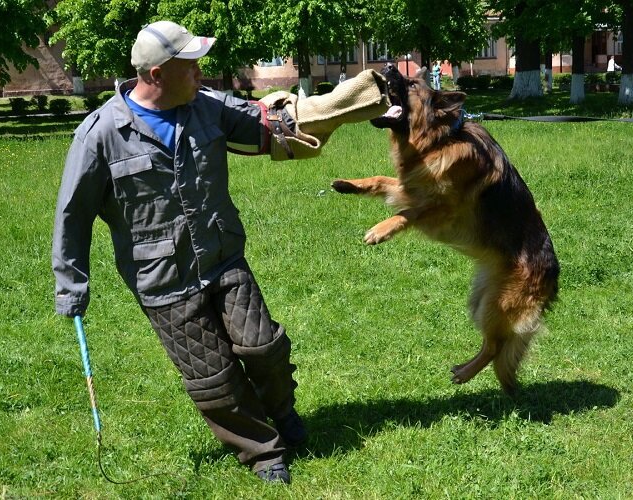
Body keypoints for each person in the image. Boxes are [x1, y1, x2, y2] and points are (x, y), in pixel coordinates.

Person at [52, 21, 388, 484]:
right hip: (163, 281)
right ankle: (264, 453)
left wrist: (337, 106)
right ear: (155, 74)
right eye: (189, 65)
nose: (200, 72)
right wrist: (72, 288)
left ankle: (282, 411)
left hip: (223, 257)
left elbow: (268, 124)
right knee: (215, 381)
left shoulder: (206, 108)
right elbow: (73, 215)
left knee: (264, 346)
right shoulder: (100, 135)